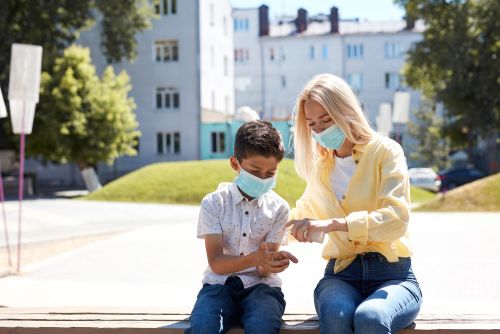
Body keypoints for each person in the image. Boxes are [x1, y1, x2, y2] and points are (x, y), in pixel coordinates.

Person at [286, 74, 422, 334]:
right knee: (337, 315)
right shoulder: (321, 169)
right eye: (313, 125)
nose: (320, 131)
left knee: (370, 317)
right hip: (340, 275)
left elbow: (396, 218)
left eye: (326, 120)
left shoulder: (385, 151)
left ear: (346, 111)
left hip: (393, 275)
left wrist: (333, 224)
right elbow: (299, 217)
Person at [187, 120, 298, 334]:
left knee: (262, 326)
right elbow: (217, 264)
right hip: (218, 286)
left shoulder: (279, 208)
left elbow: (263, 269)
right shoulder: (214, 203)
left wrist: (272, 263)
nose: (262, 179)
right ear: (235, 163)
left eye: (270, 173)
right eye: (255, 171)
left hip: (262, 288)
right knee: (203, 327)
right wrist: (255, 258)